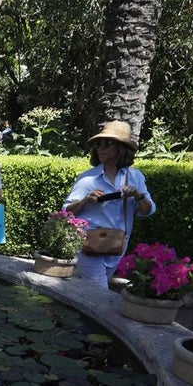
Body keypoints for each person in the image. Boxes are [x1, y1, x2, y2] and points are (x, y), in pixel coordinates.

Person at [63, 120, 156, 288]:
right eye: (97, 144)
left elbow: (148, 210)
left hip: (116, 246)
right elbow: (65, 212)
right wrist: (85, 200)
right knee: (100, 290)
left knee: (93, 292)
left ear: (121, 148)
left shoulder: (135, 177)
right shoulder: (87, 179)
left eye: (107, 144)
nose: (100, 148)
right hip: (88, 246)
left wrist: (137, 195)